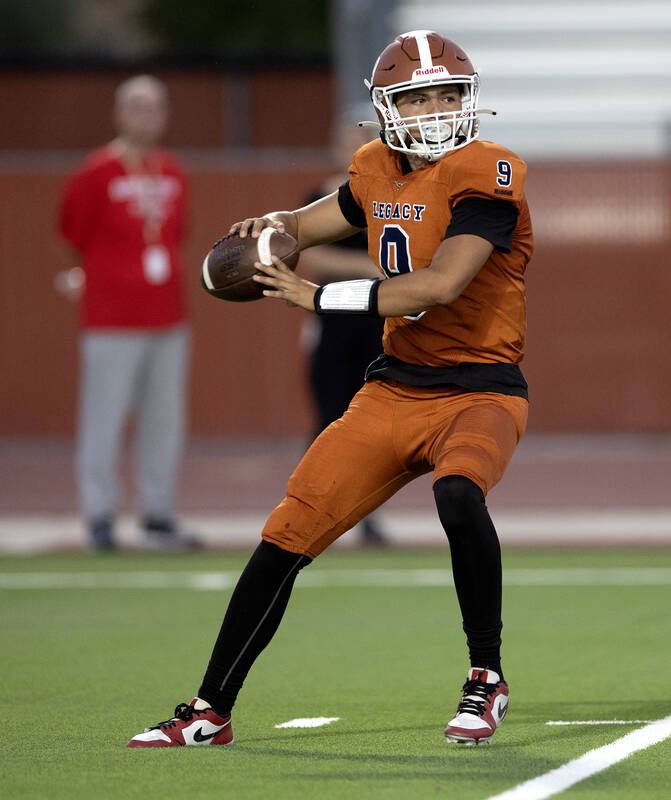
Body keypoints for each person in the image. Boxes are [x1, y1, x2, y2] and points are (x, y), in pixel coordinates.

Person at [127, 30, 533, 748]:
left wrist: (315, 297)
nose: (436, 108)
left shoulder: (488, 171)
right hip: (394, 390)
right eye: (418, 96)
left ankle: (486, 678)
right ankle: (209, 710)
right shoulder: (374, 166)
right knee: (287, 532)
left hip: (481, 387)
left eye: (448, 94)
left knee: (458, 492)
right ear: (387, 108)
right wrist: (272, 230)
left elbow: (439, 285)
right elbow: (312, 222)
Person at [57, 75, 198, 552]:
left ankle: (157, 514)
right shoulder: (95, 172)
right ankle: (99, 516)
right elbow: (72, 231)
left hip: (168, 317)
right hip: (110, 319)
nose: (148, 115)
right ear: (118, 114)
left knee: (164, 420)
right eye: (137, 107)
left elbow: (177, 235)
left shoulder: (173, 171)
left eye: (156, 107)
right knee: (104, 418)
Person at [299, 112, 389, 546]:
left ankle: (365, 515)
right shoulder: (321, 197)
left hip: (377, 324)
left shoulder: (390, 198)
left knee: (371, 424)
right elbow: (315, 260)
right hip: (334, 321)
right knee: (329, 419)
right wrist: (368, 269)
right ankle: (308, 509)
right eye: (348, 143)